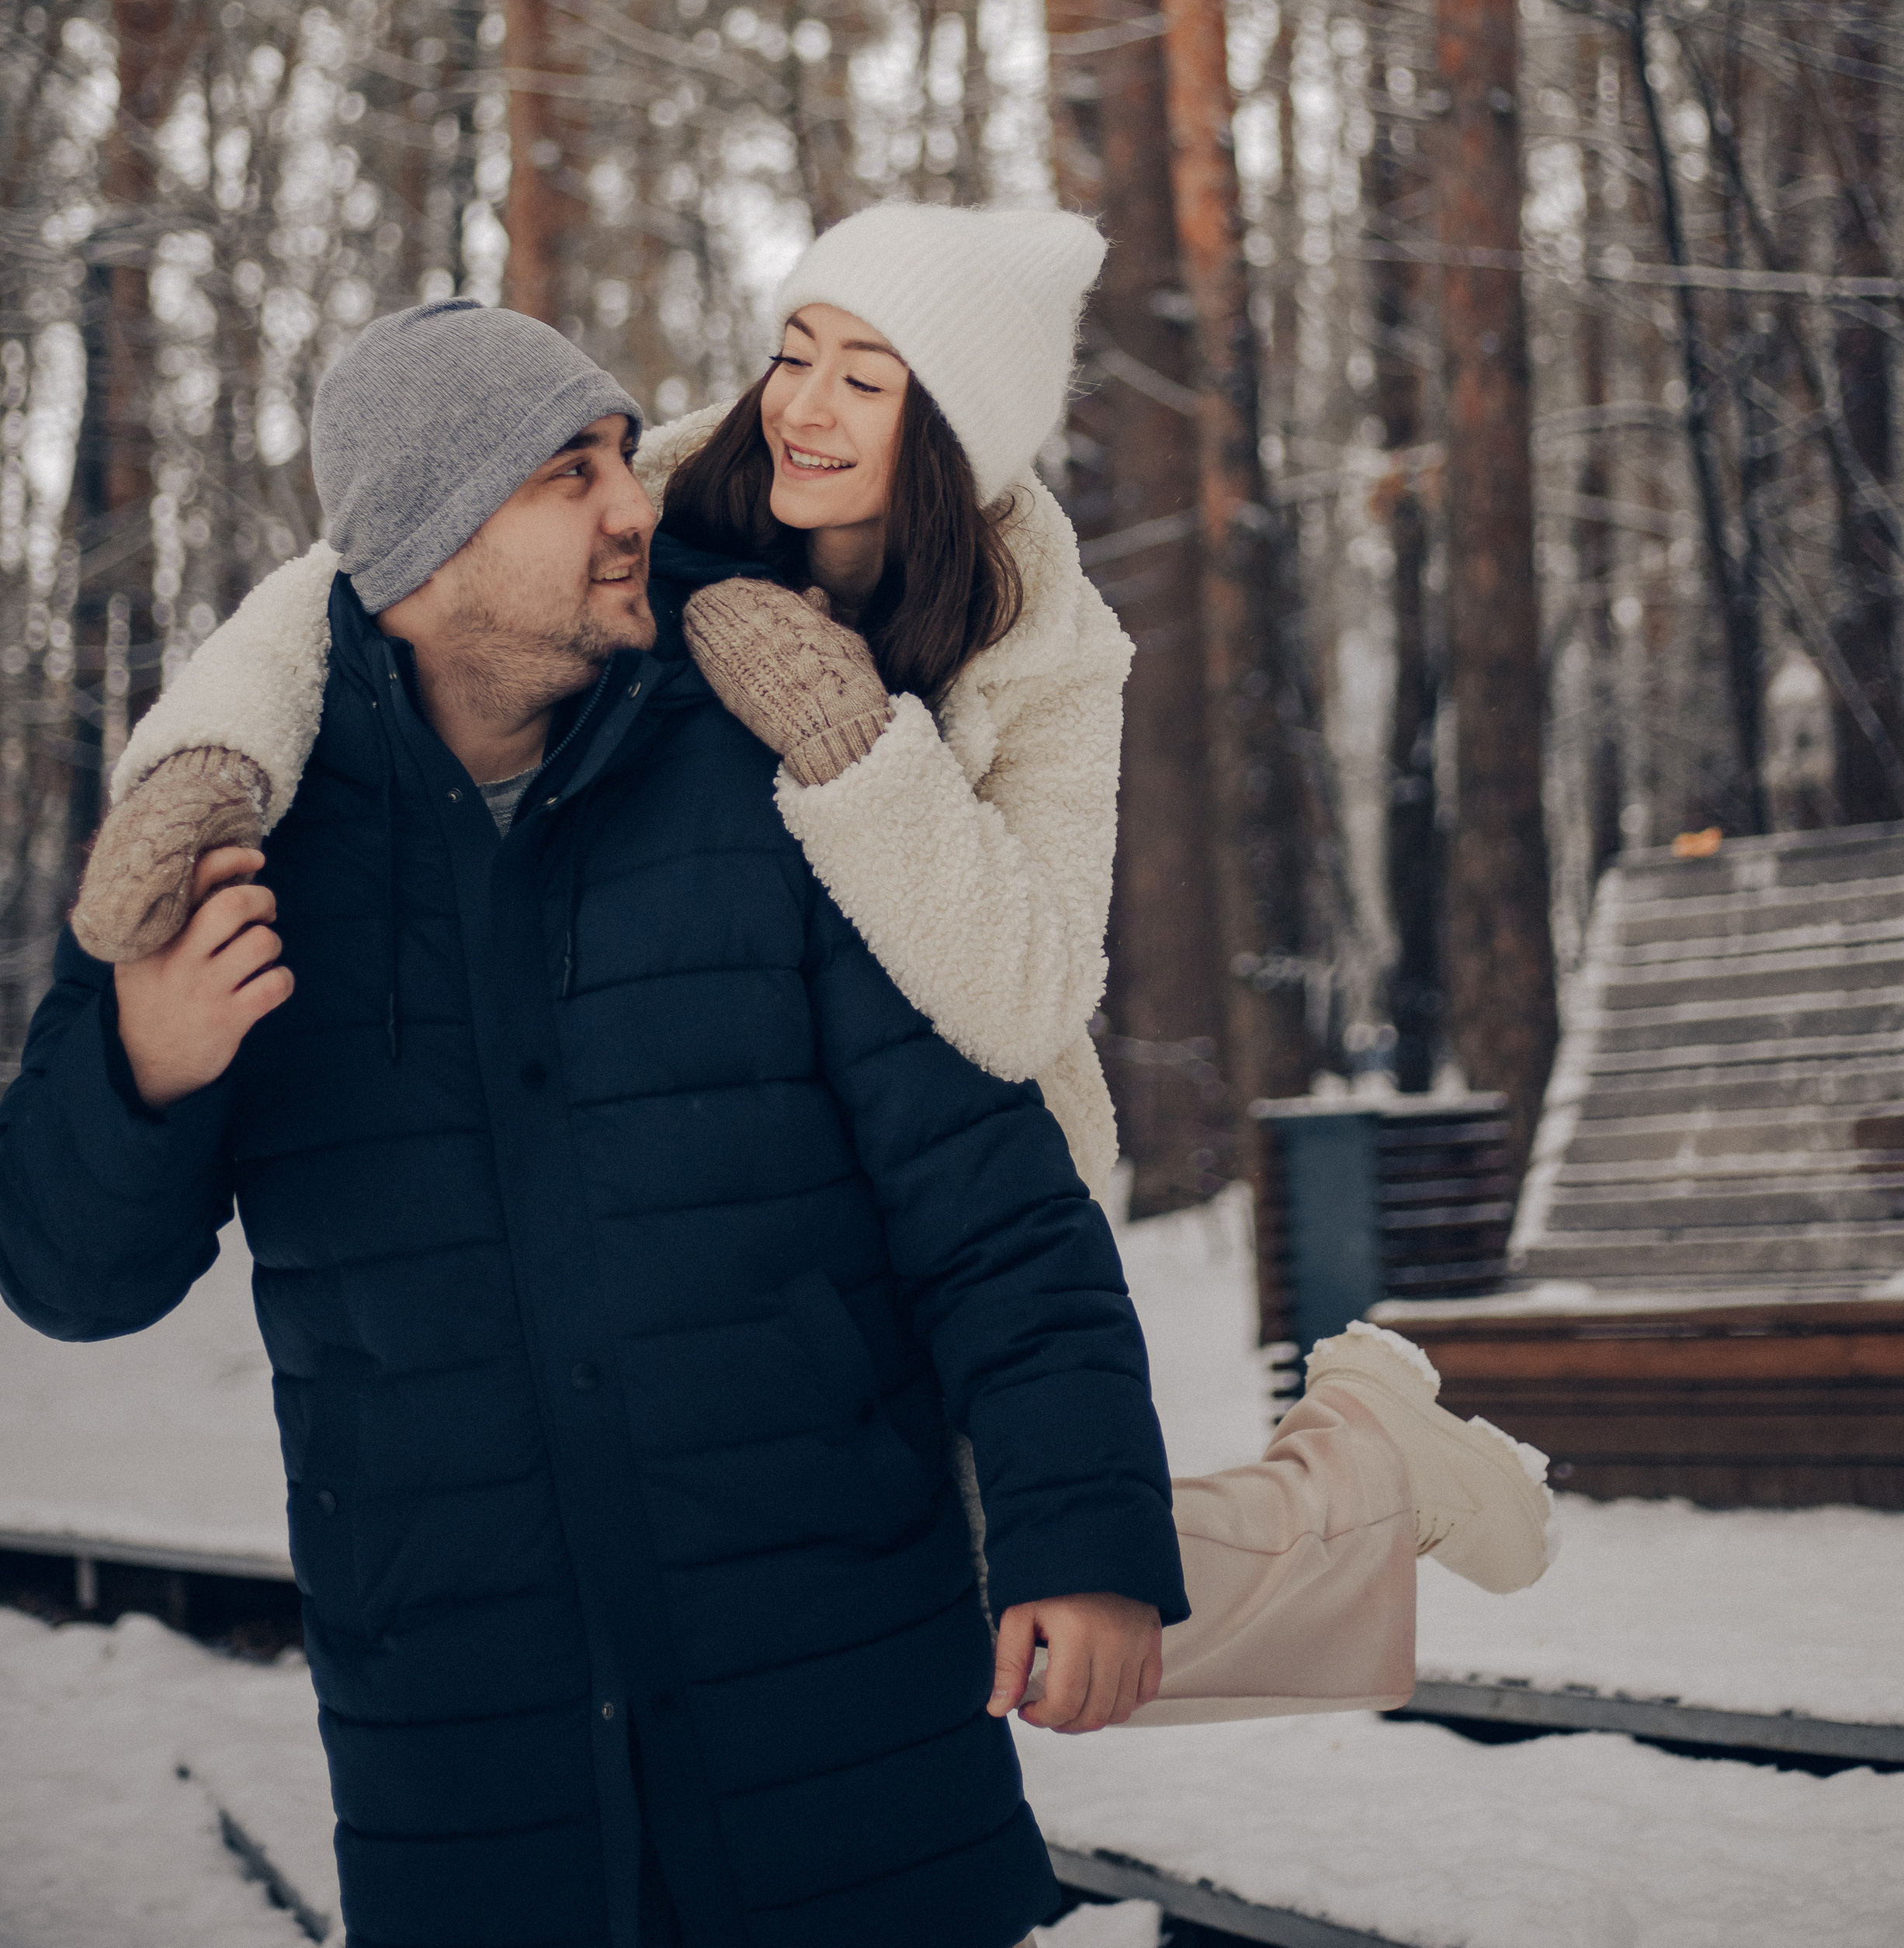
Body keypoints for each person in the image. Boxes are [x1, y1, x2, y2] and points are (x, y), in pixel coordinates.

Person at [68, 206, 1552, 1735]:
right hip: (735, 1125)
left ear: (949, 428)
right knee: (891, 1583)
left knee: (964, 1591)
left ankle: (1360, 1477)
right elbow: (347, 575)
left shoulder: (1049, 654)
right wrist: (204, 764)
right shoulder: (651, 494)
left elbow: (1031, 992)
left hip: (948, 1147)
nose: (800, 405)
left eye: (864, 377)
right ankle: (1359, 1481)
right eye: (793, 351)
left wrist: (855, 749)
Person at [0, 299, 1190, 1948]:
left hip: (834, 1707)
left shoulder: (770, 774)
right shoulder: (245, 836)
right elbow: (68, 1276)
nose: (640, 502)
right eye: (572, 475)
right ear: (424, 543)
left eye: (624, 455)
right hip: (470, 1755)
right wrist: (145, 1063)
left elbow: (990, 1201)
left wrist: (1088, 1538)